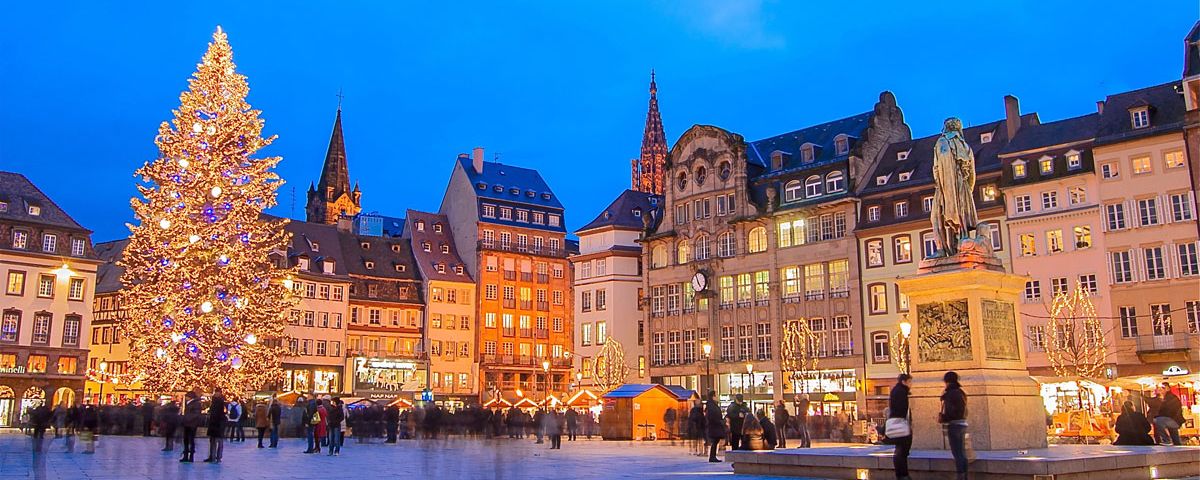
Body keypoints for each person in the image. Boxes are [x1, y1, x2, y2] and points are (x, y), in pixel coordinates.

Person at [939, 372, 968, 480]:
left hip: (954, 424)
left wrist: (944, 418)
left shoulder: (950, 393)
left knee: (957, 453)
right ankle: (964, 475)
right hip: (962, 423)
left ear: (947, 381)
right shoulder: (960, 392)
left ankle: (961, 476)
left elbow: (951, 411)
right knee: (962, 452)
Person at [889, 374, 914, 480]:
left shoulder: (897, 390)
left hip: (897, 422)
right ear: (904, 381)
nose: (911, 384)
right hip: (900, 423)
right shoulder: (901, 392)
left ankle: (901, 474)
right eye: (909, 382)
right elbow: (901, 408)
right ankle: (902, 474)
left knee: (900, 450)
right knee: (901, 451)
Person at [204, 388, 227, 463]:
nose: (216, 394)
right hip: (216, 424)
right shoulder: (217, 401)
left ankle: (216, 457)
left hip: (217, 424)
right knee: (214, 441)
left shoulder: (219, 402)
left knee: (216, 441)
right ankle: (213, 456)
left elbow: (217, 413)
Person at [704, 390, 727, 463]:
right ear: (713, 396)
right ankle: (712, 457)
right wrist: (721, 421)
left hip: (715, 425)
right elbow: (712, 416)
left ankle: (713, 456)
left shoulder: (712, 404)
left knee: (715, 441)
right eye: (716, 395)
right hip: (714, 425)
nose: (717, 397)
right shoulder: (711, 405)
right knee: (715, 441)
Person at [180, 391, 201, 462]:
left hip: (192, 425)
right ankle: (186, 455)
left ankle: (190, 456)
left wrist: (186, 418)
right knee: (186, 440)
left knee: (191, 440)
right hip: (187, 424)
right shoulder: (188, 403)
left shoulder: (196, 404)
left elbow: (196, 414)